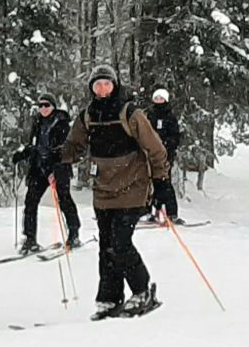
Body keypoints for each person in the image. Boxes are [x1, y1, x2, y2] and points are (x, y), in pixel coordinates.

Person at [61, 64, 170, 320]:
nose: (102, 89)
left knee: (120, 243)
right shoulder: (88, 115)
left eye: (106, 83)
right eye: (97, 84)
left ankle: (142, 291)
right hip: (104, 190)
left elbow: (155, 149)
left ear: (115, 85)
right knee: (107, 246)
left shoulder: (130, 113)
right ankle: (109, 299)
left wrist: (162, 182)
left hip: (133, 187)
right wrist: (55, 158)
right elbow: (73, 145)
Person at [10, 94, 81, 254]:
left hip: (58, 168)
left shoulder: (62, 123)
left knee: (64, 200)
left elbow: (64, 149)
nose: (43, 108)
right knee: (30, 202)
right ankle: (29, 239)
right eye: (40, 105)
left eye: (46, 105)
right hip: (38, 168)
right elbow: (34, 145)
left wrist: (55, 168)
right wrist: (22, 154)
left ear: (53, 106)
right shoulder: (37, 122)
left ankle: (74, 233)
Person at [144, 88, 181, 223]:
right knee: (149, 183)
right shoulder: (149, 115)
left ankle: (171, 212)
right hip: (150, 155)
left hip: (165, 156)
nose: (158, 101)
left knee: (164, 182)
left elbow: (175, 136)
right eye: (156, 98)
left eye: (161, 98)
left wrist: (167, 147)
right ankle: (150, 211)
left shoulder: (170, 117)